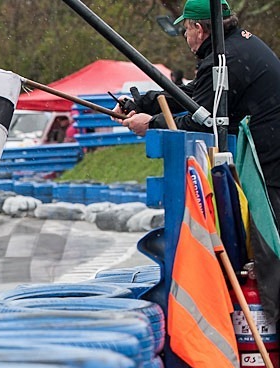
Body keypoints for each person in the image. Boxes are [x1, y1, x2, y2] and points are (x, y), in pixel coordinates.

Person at [116, 0, 280, 213]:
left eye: (186, 29)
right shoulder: (237, 45)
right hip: (268, 149)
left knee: (267, 233)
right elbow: (194, 92)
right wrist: (141, 103)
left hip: (268, 162)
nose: (185, 36)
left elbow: (204, 122)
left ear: (199, 30)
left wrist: (151, 124)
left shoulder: (224, 59)